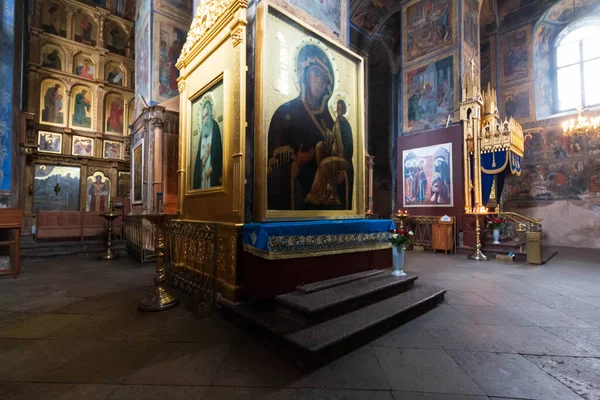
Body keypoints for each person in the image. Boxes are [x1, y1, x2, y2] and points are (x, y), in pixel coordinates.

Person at [267, 44, 339, 210]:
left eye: (324, 78)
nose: (320, 82)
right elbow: (273, 167)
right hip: (296, 203)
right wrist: (297, 163)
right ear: (303, 75)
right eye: (317, 74)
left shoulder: (328, 121)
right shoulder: (285, 113)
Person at [304, 100, 353, 206]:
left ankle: (315, 194)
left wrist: (343, 155)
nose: (337, 110)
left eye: (340, 108)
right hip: (336, 155)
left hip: (344, 159)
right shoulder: (337, 122)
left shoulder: (345, 124)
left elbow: (349, 144)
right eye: (337, 108)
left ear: (343, 110)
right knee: (320, 147)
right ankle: (322, 194)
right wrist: (326, 129)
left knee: (323, 164)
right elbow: (332, 137)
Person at [193, 101, 222, 189]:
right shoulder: (203, 131)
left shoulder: (215, 127)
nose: (204, 120)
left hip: (211, 172)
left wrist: (212, 168)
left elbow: (218, 153)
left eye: (206, 116)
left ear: (210, 114)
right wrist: (204, 159)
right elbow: (199, 158)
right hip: (203, 172)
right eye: (202, 117)